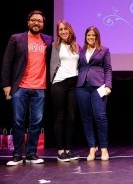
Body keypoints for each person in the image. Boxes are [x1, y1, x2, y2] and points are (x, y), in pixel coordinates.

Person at [1, 10, 52, 166]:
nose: (37, 23)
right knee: (18, 121)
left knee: (36, 122)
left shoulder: (48, 40)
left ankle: (31, 154)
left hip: (40, 88)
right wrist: (6, 84)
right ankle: (16, 155)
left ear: (43, 24)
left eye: (40, 21)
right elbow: (7, 62)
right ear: (28, 22)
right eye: (34, 20)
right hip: (20, 87)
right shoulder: (17, 38)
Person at [76, 26, 112, 161]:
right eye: (88, 35)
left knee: (101, 117)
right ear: (85, 36)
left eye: (93, 35)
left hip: (99, 86)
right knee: (86, 118)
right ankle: (92, 148)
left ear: (97, 37)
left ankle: (103, 148)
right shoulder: (80, 50)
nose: (91, 37)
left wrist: (108, 85)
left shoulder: (104, 50)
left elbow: (108, 69)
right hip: (82, 87)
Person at [50, 20, 80, 162]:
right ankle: (60, 150)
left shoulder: (76, 47)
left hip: (73, 84)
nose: (63, 31)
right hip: (59, 83)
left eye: (65, 29)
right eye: (60, 29)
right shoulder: (55, 46)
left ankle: (68, 150)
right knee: (60, 117)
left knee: (71, 117)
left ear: (70, 30)